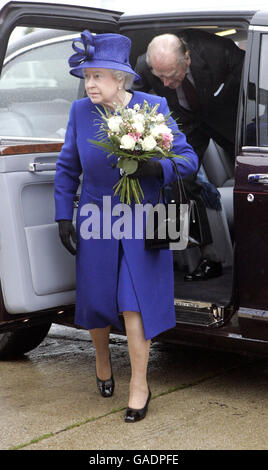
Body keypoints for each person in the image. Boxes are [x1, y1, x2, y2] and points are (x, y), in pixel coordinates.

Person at [54, 30, 198, 423]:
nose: (90, 84)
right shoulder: (80, 112)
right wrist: (64, 214)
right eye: (86, 77)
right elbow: (68, 166)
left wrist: (158, 167)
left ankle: (139, 384)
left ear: (120, 79)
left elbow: (188, 159)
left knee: (135, 304)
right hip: (97, 218)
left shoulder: (154, 107)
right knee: (98, 300)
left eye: (97, 76)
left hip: (144, 217)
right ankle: (102, 359)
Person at [134, 30, 245, 281]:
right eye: (159, 76)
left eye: (171, 76)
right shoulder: (145, 65)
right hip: (184, 124)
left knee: (254, 173)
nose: (164, 84)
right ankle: (205, 256)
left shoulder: (219, 52)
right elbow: (130, 100)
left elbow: (255, 84)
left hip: (226, 119)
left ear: (188, 59)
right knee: (177, 179)